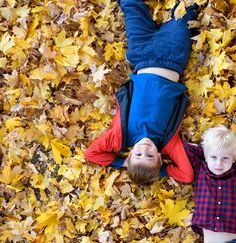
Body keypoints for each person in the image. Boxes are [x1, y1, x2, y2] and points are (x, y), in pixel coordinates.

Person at [85, 0, 199, 185]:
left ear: (130, 154)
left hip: (141, 56)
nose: (145, 149)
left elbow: (91, 154)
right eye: (150, 156)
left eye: (138, 155)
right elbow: (186, 175)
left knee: (131, 6)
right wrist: (160, 172)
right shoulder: (167, 142)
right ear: (160, 158)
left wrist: (123, 163)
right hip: (171, 55)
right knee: (187, 10)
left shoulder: (120, 138)